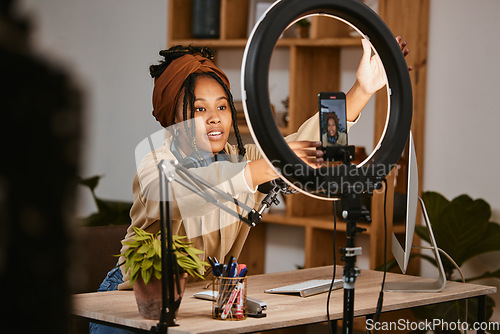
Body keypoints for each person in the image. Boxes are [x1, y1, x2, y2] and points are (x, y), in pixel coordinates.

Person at [90, 37, 410, 334]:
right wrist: (258, 171)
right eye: (200, 108)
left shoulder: (242, 158)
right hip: (131, 300)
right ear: (172, 116)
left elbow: (308, 145)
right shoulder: (156, 161)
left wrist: (362, 90)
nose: (214, 118)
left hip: (200, 299)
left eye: (222, 106)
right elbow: (178, 193)